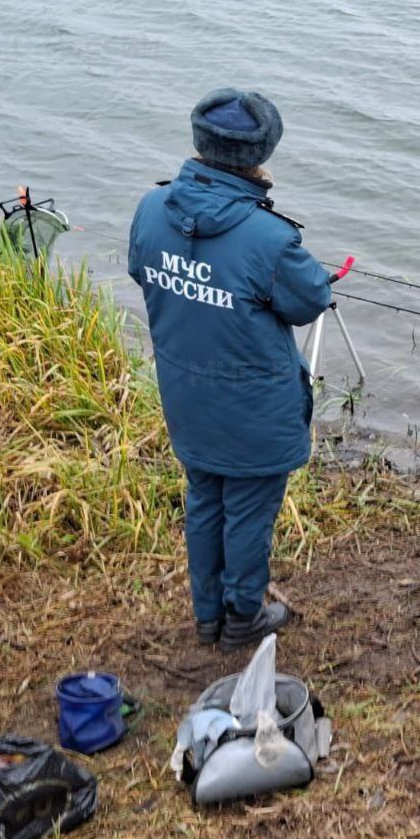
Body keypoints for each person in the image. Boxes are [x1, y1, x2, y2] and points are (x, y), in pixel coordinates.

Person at [128, 88, 331, 651]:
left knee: (204, 499)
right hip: (254, 410)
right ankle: (242, 617)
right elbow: (309, 298)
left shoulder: (151, 209)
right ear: (260, 154)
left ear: (200, 142)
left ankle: (206, 615)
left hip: (186, 396)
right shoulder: (267, 237)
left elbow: (140, 269)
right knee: (246, 512)